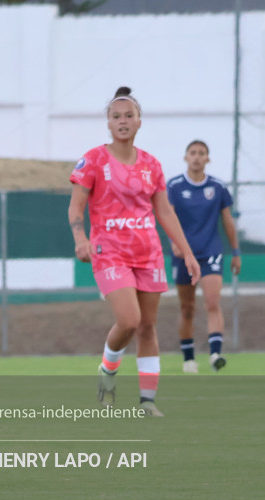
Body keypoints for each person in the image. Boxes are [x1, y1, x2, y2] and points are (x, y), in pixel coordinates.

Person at [68, 86, 201, 417]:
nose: (123, 121)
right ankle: (108, 369)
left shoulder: (151, 165)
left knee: (147, 326)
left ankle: (147, 401)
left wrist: (187, 252)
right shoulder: (93, 160)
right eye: (116, 117)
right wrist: (80, 238)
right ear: (108, 123)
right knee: (129, 319)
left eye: (129, 115)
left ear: (139, 121)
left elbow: (164, 211)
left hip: (148, 253)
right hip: (109, 251)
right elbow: (76, 206)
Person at [167, 140, 241, 373]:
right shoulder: (174, 186)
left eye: (201, 153)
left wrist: (236, 252)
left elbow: (228, 221)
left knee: (212, 301)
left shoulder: (217, 187)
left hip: (211, 252)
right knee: (187, 308)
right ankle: (189, 359)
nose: (197, 157)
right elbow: (166, 216)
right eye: (193, 153)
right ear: (185, 157)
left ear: (208, 159)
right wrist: (174, 242)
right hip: (183, 255)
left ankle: (215, 355)